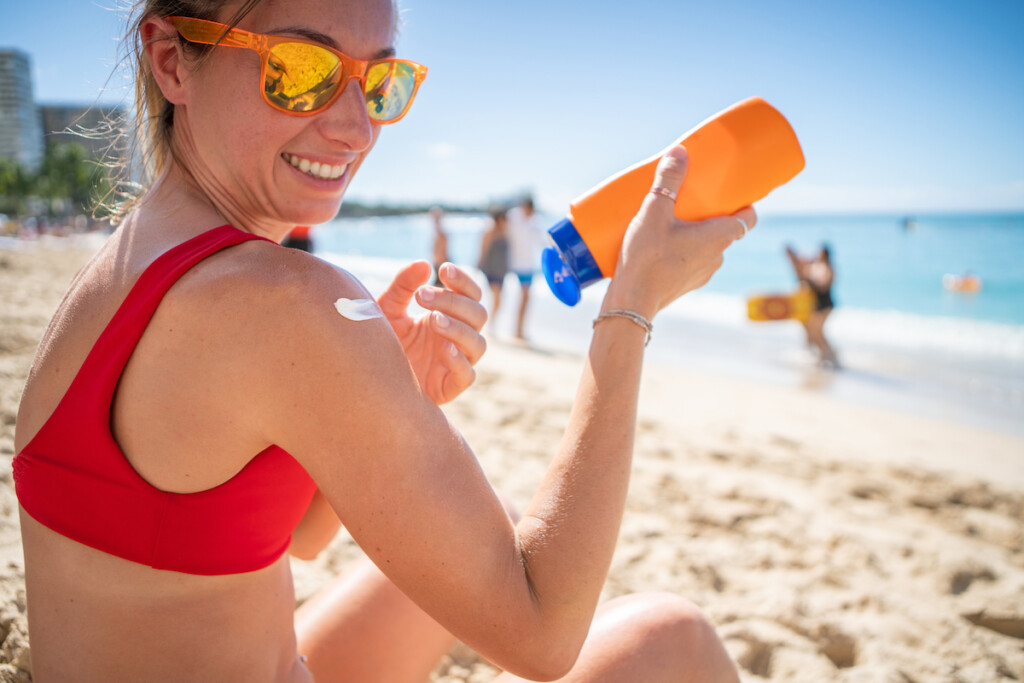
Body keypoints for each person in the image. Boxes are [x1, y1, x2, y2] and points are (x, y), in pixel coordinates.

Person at [12, 1, 756, 680]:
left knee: (464, 539)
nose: (357, 126)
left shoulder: (125, 263)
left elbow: (292, 536)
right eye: (300, 70)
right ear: (173, 59)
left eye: (379, 83)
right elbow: (542, 635)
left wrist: (371, 387)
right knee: (673, 633)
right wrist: (630, 307)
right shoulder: (286, 300)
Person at [786, 243, 838, 367]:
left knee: (817, 333)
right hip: (814, 304)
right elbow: (799, 269)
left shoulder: (827, 268)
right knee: (810, 331)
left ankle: (830, 356)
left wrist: (809, 279)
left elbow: (823, 284)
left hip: (824, 305)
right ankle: (817, 356)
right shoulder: (816, 266)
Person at [505, 196, 546, 340]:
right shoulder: (512, 216)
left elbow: (542, 242)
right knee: (500, 293)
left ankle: (519, 330)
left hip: (528, 266)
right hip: (511, 263)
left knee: (525, 298)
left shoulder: (535, 220)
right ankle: (496, 326)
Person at [477, 206, 510, 326]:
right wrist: (478, 266)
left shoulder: (506, 231)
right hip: (491, 270)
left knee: (499, 300)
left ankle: (491, 323)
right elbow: (482, 250)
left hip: (501, 271)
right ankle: (489, 323)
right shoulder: (490, 232)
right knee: (497, 300)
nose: (505, 221)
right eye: (503, 218)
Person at [429, 206, 448, 287]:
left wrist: (440, 263)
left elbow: (443, 250)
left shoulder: (441, 232)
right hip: (437, 264)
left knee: (439, 288)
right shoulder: (436, 231)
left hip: (440, 264)